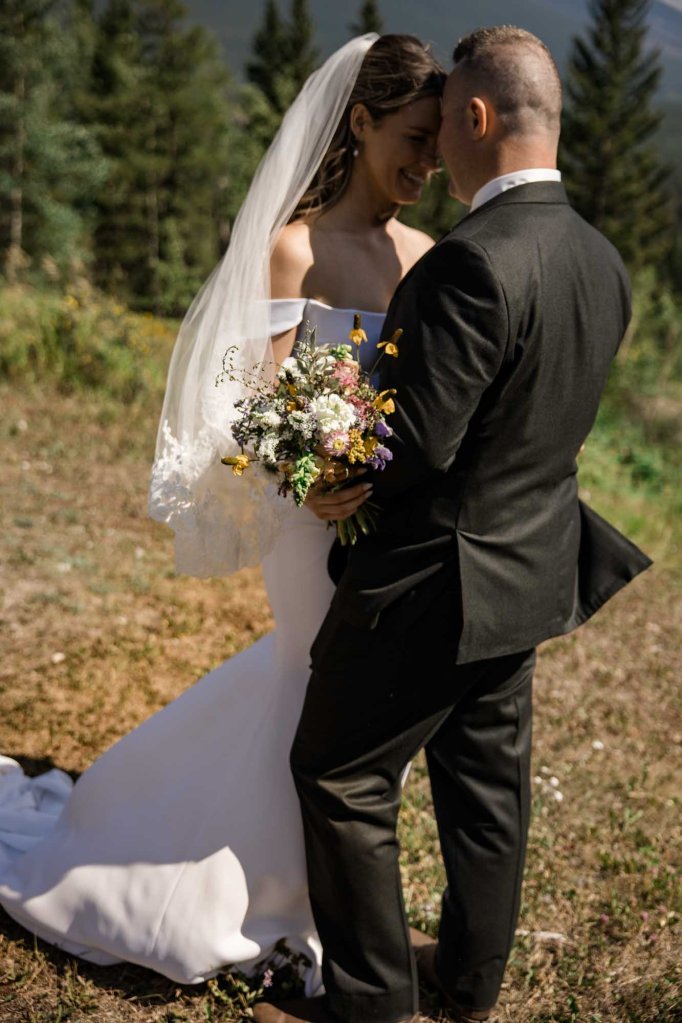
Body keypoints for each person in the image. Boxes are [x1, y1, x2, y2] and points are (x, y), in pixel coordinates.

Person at [0, 34, 443, 990]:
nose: (427, 162)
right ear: (360, 122)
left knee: (351, 704)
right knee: (312, 679)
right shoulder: (297, 245)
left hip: (390, 523)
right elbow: (257, 396)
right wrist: (307, 478)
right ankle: (280, 904)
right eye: (412, 136)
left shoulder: (427, 255)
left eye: (439, 142)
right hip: (307, 517)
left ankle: (300, 886)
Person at [257, 25, 653, 1023]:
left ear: (476, 117)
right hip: (533, 575)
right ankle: (468, 987)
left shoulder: (469, 261)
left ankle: (373, 1002)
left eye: (448, 129)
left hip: (434, 579)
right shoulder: (599, 259)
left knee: (340, 776)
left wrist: (329, 467)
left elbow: (421, 444)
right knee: (486, 798)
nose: (437, 155)